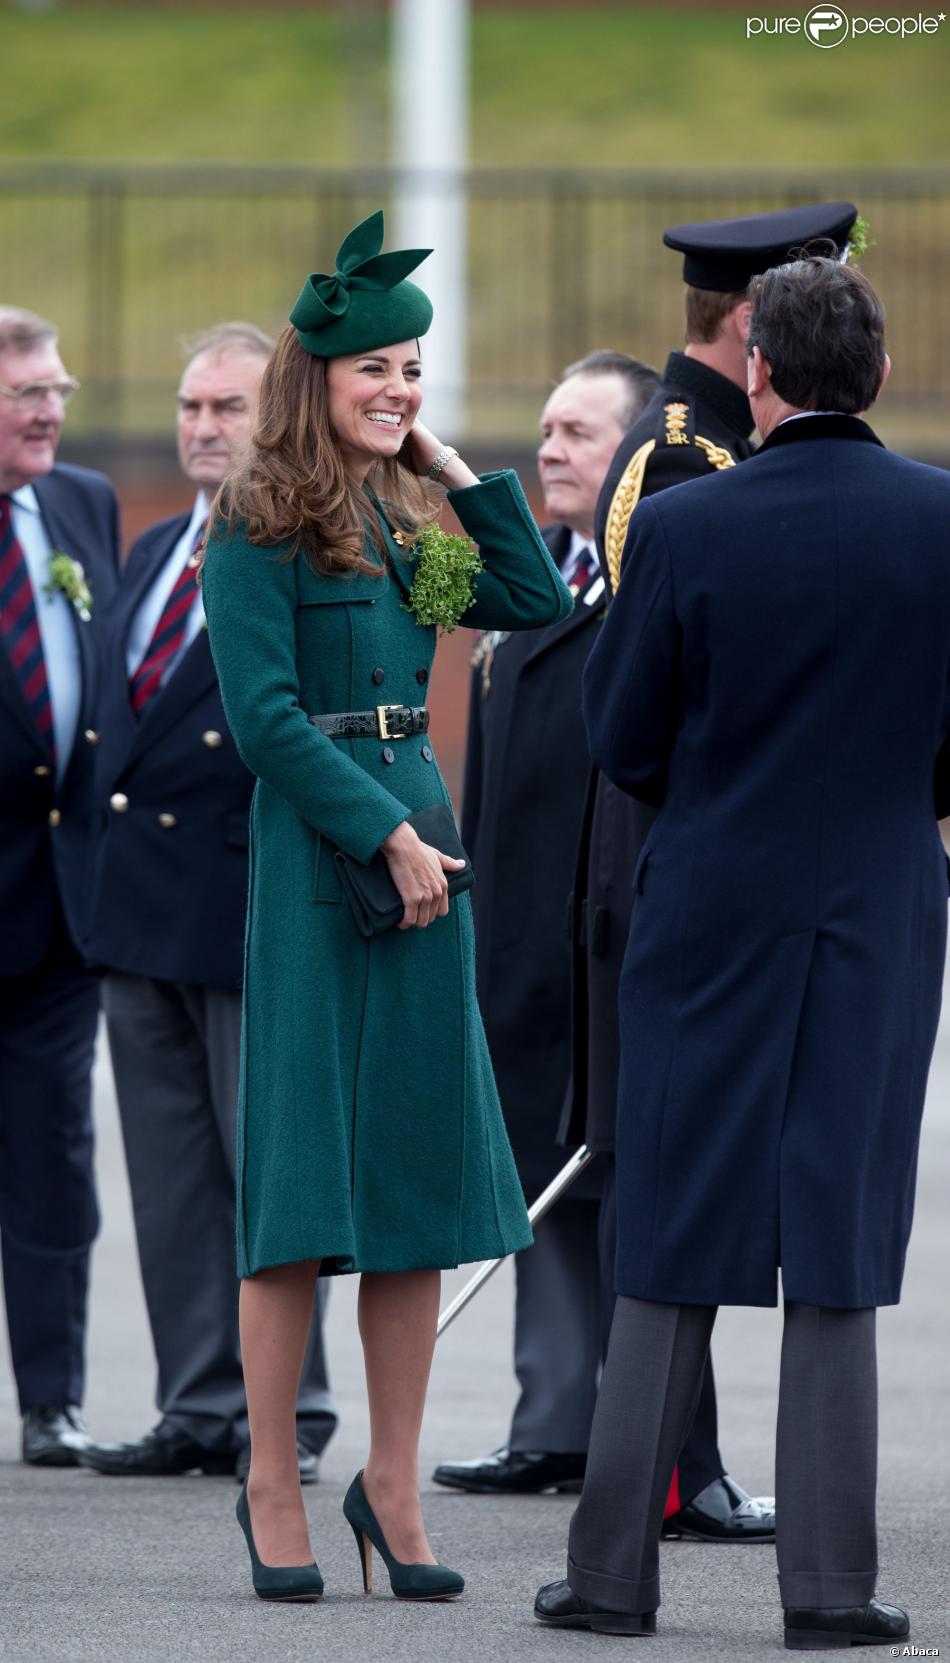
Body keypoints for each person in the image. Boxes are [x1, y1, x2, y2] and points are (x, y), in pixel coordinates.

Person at [535, 254, 947, 1650]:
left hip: (709, 897)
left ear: (756, 369)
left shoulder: (688, 524)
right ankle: (828, 1586)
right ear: (877, 373)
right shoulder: (941, 517)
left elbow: (624, 736)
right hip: (880, 902)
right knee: (838, 1230)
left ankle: (609, 1575)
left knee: (670, 1219)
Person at [200, 210, 573, 1603]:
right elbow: (261, 717)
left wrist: (457, 470)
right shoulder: (254, 515)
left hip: (425, 843)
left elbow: (528, 597)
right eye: (378, 371)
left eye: (413, 370)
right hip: (321, 856)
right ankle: (268, 1484)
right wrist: (386, 831)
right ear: (320, 376)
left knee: (410, 1185)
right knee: (300, 1188)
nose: (399, 390)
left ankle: (394, 1486)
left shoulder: (411, 503)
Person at [558, 202, 859, 1545]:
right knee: (664, 1166)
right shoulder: (682, 460)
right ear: (751, 329)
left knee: (679, 1163)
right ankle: (676, 1466)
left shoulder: (720, 446)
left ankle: (677, 1466)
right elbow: (663, 704)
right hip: (686, 837)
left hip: (716, 838)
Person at [80, 323, 335, 1483]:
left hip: (249, 904)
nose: (199, 427)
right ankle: (197, 1402)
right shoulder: (148, 551)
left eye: (226, 408)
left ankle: (292, 1415)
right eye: (188, 406)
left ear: (274, 417)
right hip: (140, 913)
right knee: (174, 1182)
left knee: (266, 1171)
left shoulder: (299, 551)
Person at [433, 352, 655, 1494]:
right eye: (545, 428)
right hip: (520, 944)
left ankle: (643, 1440)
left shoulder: (644, 584)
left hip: (611, 943)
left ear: (635, 448)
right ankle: (551, 1422)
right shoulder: (524, 588)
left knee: (617, 1188)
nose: (550, 450)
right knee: (539, 1188)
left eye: (577, 431)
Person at [0, 305, 120, 1465]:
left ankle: (53, 1396)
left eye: (57, 390)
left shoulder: (80, 503)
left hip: (59, 905)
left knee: (53, 1159)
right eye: (27, 393)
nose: (51, 411)